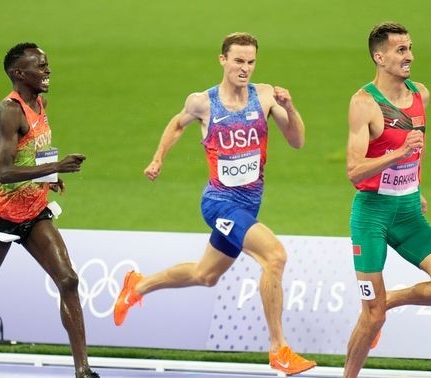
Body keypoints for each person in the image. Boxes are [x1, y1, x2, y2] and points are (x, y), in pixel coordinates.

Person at [113, 32, 316, 375]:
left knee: (205, 275)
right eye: (238, 60)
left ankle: (138, 285)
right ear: (223, 60)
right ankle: (279, 348)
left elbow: (296, 141)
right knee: (275, 256)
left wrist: (291, 107)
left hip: (249, 205)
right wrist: (158, 158)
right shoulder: (203, 103)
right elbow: (177, 125)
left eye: (251, 62)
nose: (245, 68)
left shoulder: (265, 97)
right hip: (220, 203)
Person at [0, 43, 99, 378]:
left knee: (69, 281)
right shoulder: (10, 110)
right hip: (4, 212)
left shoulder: (39, 102)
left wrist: (51, 175)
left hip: (35, 211)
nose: (47, 72)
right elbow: (5, 171)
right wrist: (56, 166)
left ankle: (83, 370)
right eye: (41, 67)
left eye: (47, 65)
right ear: (19, 73)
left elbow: (34, 150)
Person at [343, 22, 431, 377]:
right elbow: (354, 171)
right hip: (372, 216)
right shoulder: (364, 103)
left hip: (409, 211)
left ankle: (390, 299)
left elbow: (419, 148)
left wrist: (416, 184)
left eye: (410, 47)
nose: (409, 55)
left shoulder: (420, 94)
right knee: (372, 315)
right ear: (379, 57)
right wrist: (396, 156)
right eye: (400, 50)